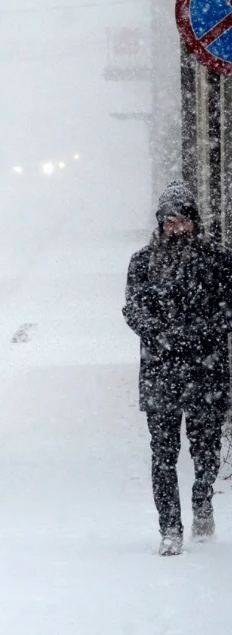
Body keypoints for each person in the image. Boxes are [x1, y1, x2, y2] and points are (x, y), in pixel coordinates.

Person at [123, 183, 232, 556]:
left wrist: (201, 335)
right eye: (171, 221)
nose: (178, 228)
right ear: (161, 223)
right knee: (163, 454)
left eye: (184, 220)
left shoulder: (218, 260)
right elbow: (133, 309)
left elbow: (227, 309)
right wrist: (162, 337)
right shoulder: (143, 262)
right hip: (160, 373)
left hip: (207, 372)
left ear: (194, 221)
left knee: (205, 451)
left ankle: (203, 502)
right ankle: (170, 527)